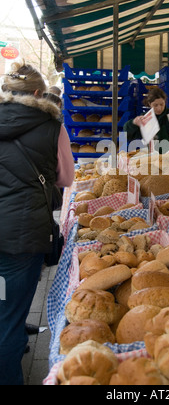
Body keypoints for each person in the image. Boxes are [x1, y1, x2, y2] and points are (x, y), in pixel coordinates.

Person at [0, 61, 74, 385]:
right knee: (11, 319)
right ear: (36, 93)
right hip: (23, 237)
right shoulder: (52, 125)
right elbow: (66, 177)